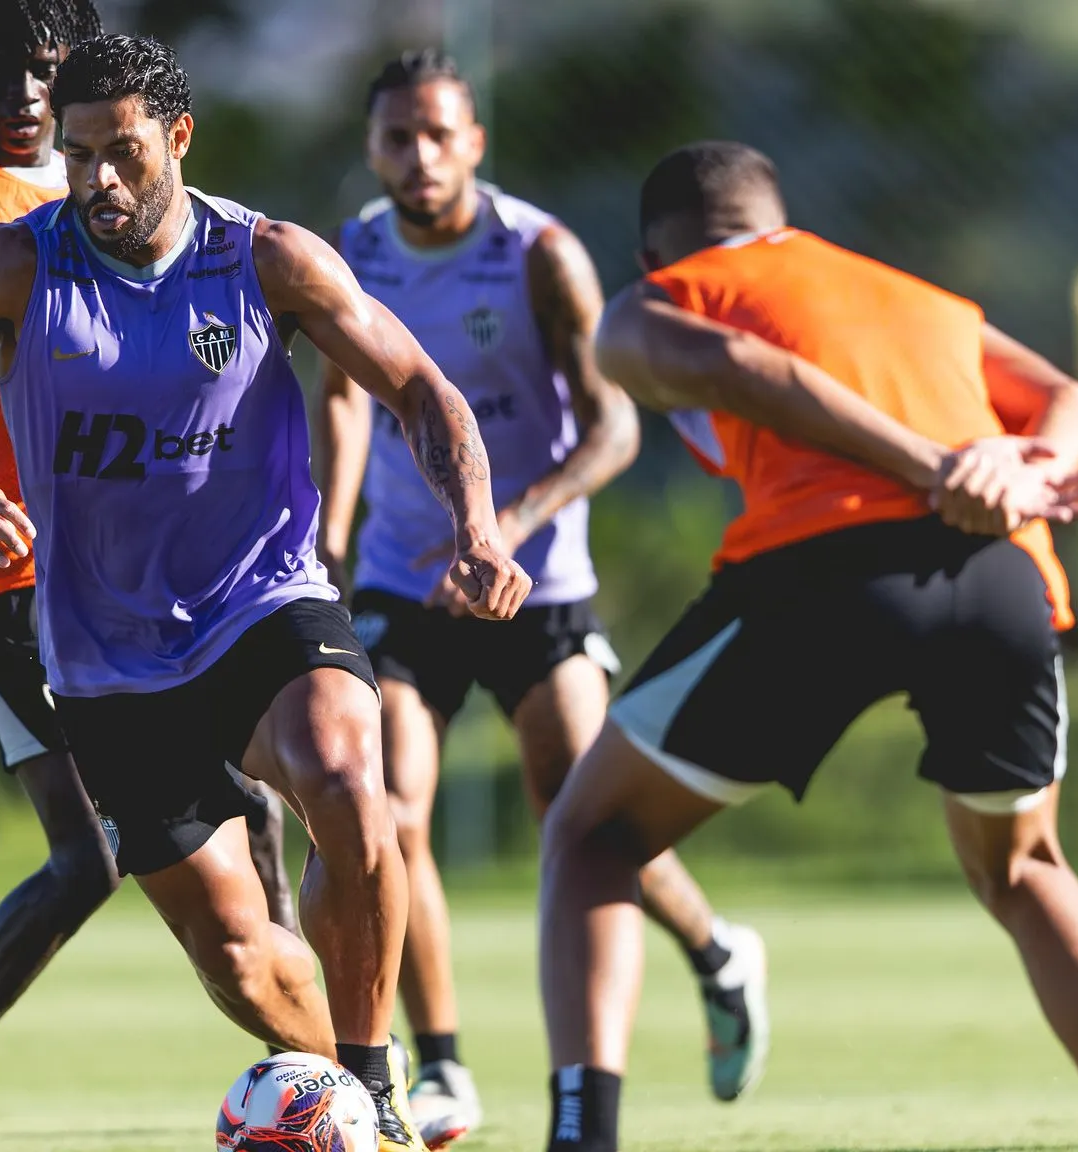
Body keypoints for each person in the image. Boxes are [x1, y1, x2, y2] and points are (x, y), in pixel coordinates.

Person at [0, 33, 533, 1152]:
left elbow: (422, 391)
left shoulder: (267, 258)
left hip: (262, 600)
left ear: (178, 139)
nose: (96, 177)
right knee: (242, 959)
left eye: (122, 151)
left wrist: (478, 531)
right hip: (105, 656)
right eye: (79, 151)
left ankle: (373, 1083)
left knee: (351, 779)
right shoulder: (12, 264)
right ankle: (345, 1114)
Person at [535, 140, 1078, 1152]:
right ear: (775, 214)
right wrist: (1019, 472)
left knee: (592, 836)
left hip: (823, 579)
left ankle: (582, 1136)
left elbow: (746, 367)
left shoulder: (660, 296)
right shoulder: (911, 296)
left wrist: (939, 470)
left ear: (658, 243)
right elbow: (1069, 398)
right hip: (1002, 583)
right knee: (1026, 868)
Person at [0, 6, 299, 1151]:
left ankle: (313, 1072)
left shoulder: (114, 177)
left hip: (143, 577)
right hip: (4, 585)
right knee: (89, 855)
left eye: (44, 68)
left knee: (254, 805)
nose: (25, 91)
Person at [314, 53, 771, 1143]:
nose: (417, 157)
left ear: (473, 141)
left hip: (536, 584)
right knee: (391, 809)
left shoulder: (538, 255)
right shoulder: (355, 254)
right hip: (400, 580)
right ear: (372, 151)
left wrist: (504, 524)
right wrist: (327, 540)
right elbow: (337, 399)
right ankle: (440, 1072)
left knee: (581, 815)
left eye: (437, 135)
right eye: (395, 140)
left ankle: (714, 951)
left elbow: (614, 426)